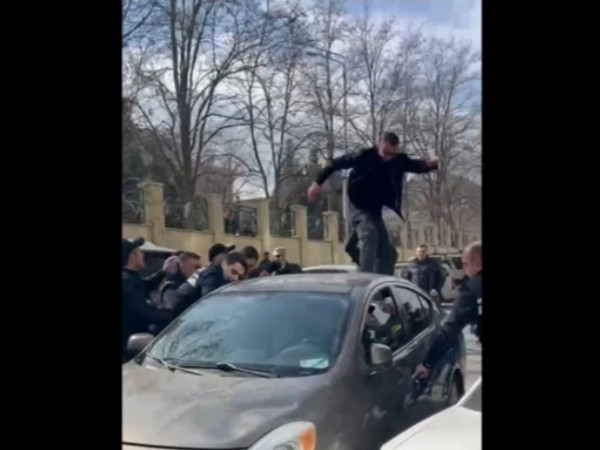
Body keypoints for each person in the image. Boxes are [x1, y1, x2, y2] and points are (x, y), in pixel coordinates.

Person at [307, 131, 438, 275]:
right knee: (369, 233)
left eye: (392, 154)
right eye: (385, 152)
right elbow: (334, 164)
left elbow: (417, 166)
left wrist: (432, 164)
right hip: (357, 207)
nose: (388, 157)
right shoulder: (363, 156)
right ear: (379, 144)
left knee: (389, 254)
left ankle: (382, 282)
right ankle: (366, 277)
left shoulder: (398, 160)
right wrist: (317, 183)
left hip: (375, 212)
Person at [414, 241, 482, 379]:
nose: (464, 269)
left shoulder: (471, 291)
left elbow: (451, 328)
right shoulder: (413, 266)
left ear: (478, 265)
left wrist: (427, 363)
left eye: (465, 264)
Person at [122, 237, 173, 362]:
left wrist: (164, 272)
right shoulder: (126, 281)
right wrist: (175, 317)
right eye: (140, 251)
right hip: (129, 352)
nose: (143, 255)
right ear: (132, 256)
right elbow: (144, 313)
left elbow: (145, 285)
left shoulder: (130, 277)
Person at [174, 251, 248, 310]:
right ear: (224, 264)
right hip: (179, 313)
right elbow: (210, 302)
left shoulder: (215, 273)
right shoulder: (212, 276)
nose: (236, 278)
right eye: (234, 272)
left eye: (240, 276)